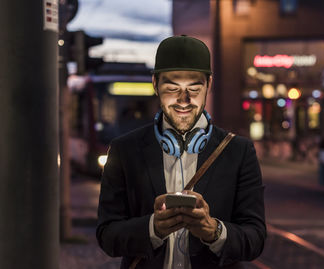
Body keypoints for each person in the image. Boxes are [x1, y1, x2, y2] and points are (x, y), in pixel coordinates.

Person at [96, 35, 266, 269]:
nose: (184, 100)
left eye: (194, 88)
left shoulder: (239, 152)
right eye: (172, 88)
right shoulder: (124, 150)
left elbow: (256, 239)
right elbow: (107, 235)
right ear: (155, 84)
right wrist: (152, 228)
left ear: (209, 84)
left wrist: (214, 232)